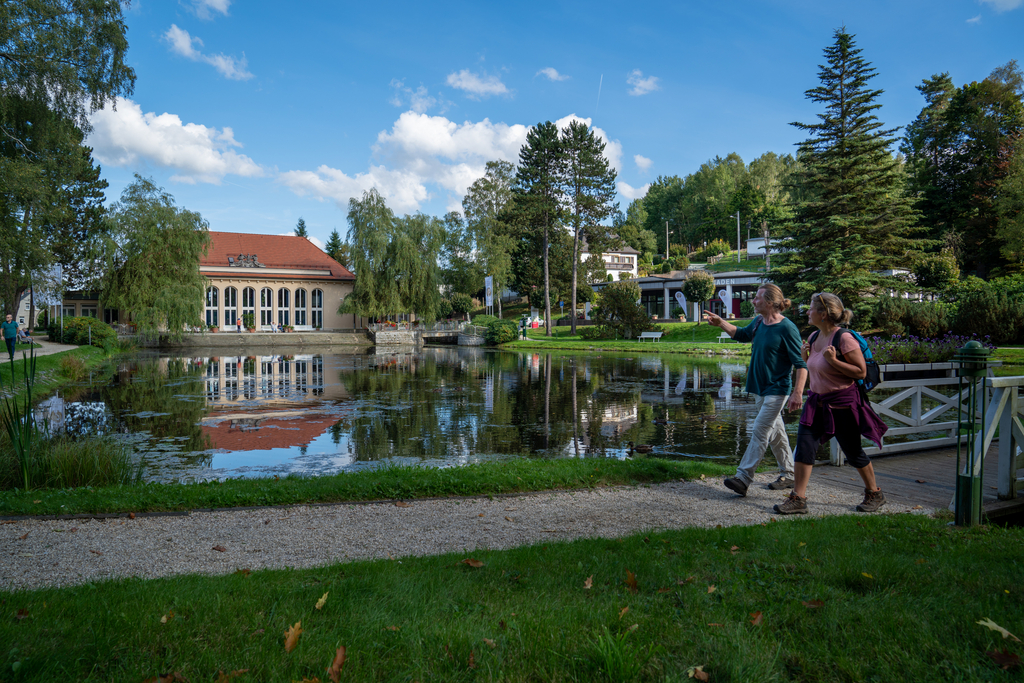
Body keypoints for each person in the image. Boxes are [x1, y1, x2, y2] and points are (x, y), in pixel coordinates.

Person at [774, 292, 889, 515]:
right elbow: (815, 370)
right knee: (805, 448)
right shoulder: (815, 337)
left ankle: (874, 493)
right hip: (816, 403)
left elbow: (861, 372)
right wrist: (805, 358)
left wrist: (834, 360)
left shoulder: (844, 338)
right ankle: (798, 498)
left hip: (843, 405)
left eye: (811, 308)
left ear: (823, 314)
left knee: (853, 452)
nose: (807, 312)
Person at [704, 284, 808, 497]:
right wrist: (720, 322)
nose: (753, 301)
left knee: (760, 431)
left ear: (770, 302)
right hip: (758, 387)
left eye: (757, 298)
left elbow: (801, 364)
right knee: (776, 433)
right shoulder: (760, 321)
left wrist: (797, 393)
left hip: (777, 389)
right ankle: (789, 473)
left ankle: (743, 478)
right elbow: (741, 334)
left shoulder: (787, 328)